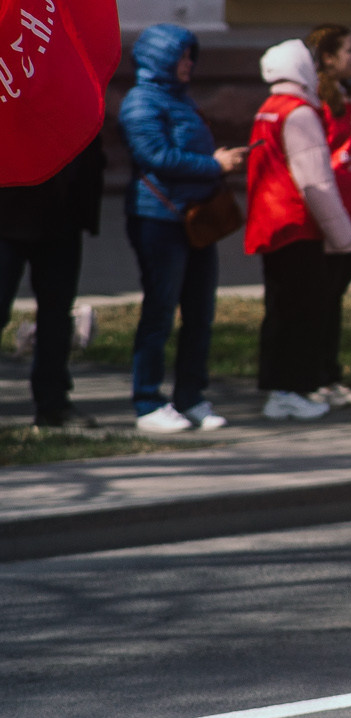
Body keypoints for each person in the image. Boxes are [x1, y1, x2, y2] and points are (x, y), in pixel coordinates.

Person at [120, 25, 246, 435]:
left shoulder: (181, 99)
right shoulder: (140, 103)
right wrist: (215, 165)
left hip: (194, 218)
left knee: (200, 310)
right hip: (158, 219)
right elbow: (155, 155)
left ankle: (191, 396)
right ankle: (148, 401)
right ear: (161, 59)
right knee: (160, 309)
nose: (189, 64)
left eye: (191, 57)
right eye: (182, 57)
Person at [244, 40, 351, 422]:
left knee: (279, 309)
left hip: (270, 222)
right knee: (300, 311)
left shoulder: (269, 109)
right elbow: (317, 182)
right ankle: (289, 390)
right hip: (295, 224)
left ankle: (281, 388)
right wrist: (344, 237)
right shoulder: (299, 113)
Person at [0, 136, 104, 429]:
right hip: (7, 216)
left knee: (57, 316)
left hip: (61, 217)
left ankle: (53, 404)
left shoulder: (69, 96)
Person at [306, 23, 351, 407]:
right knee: (322, 300)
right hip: (333, 216)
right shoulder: (317, 99)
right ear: (329, 58)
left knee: (334, 300)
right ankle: (316, 376)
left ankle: (329, 375)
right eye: (350, 50)